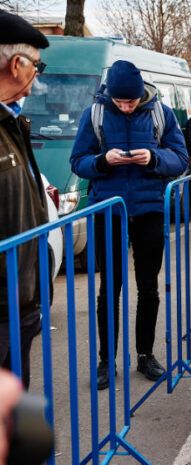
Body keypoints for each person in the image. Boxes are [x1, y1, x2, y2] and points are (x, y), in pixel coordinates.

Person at [71, 60, 189, 390]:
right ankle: (106, 361)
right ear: (110, 95)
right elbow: (78, 161)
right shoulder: (94, 114)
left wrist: (153, 159)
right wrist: (101, 161)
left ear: (141, 95)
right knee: (109, 288)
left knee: (149, 287)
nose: (126, 107)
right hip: (108, 210)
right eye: (120, 102)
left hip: (149, 210)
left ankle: (145, 354)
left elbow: (181, 159)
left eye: (131, 102)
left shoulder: (161, 113)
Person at [0, 11, 50, 389]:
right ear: (16, 65)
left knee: (22, 409)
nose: (36, 79)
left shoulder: (13, 121)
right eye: (37, 66)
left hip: (21, 305)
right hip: (4, 308)